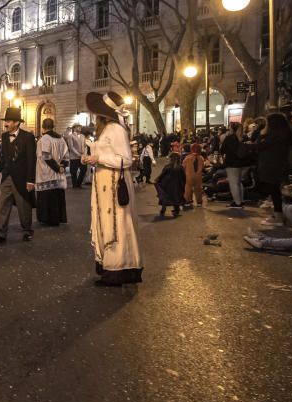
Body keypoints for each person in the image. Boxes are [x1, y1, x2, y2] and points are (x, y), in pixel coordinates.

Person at [80, 92, 143, 286]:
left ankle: (117, 270)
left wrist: (99, 158)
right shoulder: (107, 129)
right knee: (106, 224)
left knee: (116, 226)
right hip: (103, 185)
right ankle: (109, 266)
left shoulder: (115, 129)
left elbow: (125, 159)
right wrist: (90, 157)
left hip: (114, 186)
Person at [0, 107, 36, 243]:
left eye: (9, 121)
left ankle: (27, 230)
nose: (6, 124)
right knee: (3, 206)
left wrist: (31, 180)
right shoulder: (5, 136)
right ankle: (1, 233)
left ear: (17, 123)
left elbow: (31, 160)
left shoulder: (28, 137)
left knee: (23, 206)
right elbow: (5, 158)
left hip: (22, 178)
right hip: (7, 177)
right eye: (5, 121)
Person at [246, 112, 292, 226]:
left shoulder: (274, 136)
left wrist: (261, 134)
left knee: (274, 192)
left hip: (272, 167)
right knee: (276, 192)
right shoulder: (284, 134)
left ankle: (278, 218)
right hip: (278, 167)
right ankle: (278, 215)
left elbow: (258, 146)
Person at [35, 118, 68, 226]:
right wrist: (62, 166)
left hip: (46, 173)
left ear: (42, 127)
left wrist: (57, 168)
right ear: (53, 126)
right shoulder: (61, 138)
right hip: (57, 174)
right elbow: (66, 155)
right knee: (57, 196)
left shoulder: (45, 139)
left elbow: (46, 156)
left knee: (47, 197)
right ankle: (58, 217)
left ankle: (46, 218)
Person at [220, 122, 249, 208]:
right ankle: (240, 200)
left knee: (233, 183)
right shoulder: (242, 137)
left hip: (231, 162)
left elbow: (222, 150)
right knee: (238, 182)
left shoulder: (229, 138)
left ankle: (237, 203)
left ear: (232, 128)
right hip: (242, 163)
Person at [155, 153, 186, 217]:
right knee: (176, 198)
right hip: (177, 186)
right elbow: (184, 177)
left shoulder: (167, 166)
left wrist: (158, 180)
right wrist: (182, 185)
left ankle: (163, 210)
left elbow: (162, 175)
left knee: (165, 197)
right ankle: (176, 211)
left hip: (167, 185)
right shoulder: (181, 167)